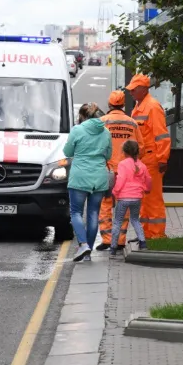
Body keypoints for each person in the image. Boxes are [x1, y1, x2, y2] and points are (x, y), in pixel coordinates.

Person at [62, 102, 112, 262]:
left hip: (80, 177)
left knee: (76, 212)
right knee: (93, 214)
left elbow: (67, 152)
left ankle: (83, 244)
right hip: (99, 177)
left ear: (83, 116)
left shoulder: (77, 130)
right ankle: (88, 253)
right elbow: (109, 156)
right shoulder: (105, 132)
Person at [96, 91, 144, 251]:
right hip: (127, 172)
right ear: (123, 105)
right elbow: (141, 148)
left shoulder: (102, 122)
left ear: (109, 105)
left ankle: (107, 239)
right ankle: (121, 240)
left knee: (105, 205)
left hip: (107, 170)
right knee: (123, 207)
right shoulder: (132, 123)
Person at [126, 74, 171, 239]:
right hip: (142, 161)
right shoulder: (138, 107)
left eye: (133, 89)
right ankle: (145, 233)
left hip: (152, 160)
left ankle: (157, 234)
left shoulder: (152, 107)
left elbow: (162, 135)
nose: (130, 92)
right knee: (144, 199)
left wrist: (162, 159)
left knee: (153, 198)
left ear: (143, 89)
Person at [110, 140, 152, 254]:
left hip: (123, 198)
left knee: (118, 222)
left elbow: (120, 180)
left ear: (124, 152)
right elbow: (148, 179)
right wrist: (147, 189)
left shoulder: (123, 164)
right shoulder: (141, 165)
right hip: (137, 198)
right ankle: (143, 243)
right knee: (135, 220)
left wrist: (114, 191)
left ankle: (113, 248)